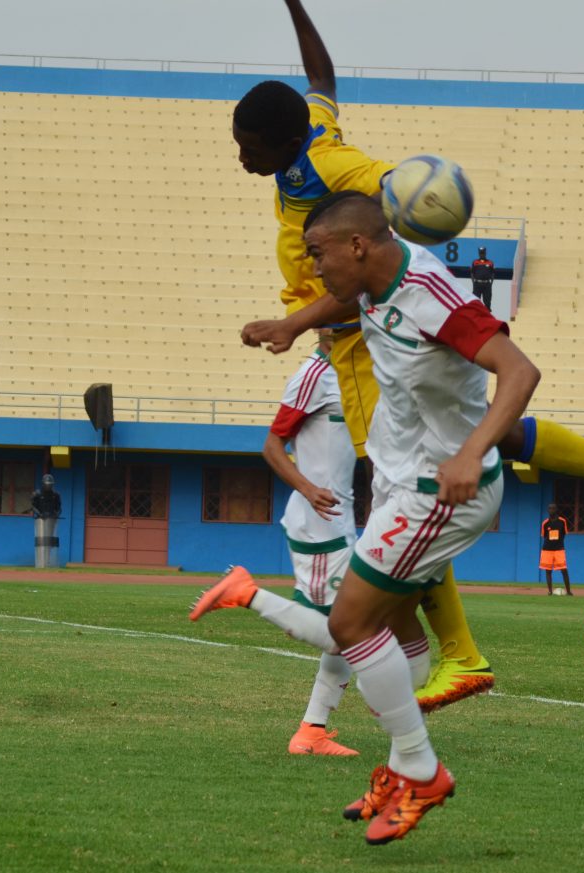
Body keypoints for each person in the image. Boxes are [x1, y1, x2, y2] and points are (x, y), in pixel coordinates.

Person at [193, 192, 542, 844]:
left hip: (439, 490)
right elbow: (353, 301)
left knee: (349, 622)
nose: (313, 268)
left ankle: (421, 768)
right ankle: (400, 766)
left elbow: (519, 370)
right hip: (398, 480)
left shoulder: (432, 295)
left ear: (356, 245)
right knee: (392, 625)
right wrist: (294, 323)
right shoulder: (378, 277)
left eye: (318, 254)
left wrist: (471, 453)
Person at [235, 0, 495, 712]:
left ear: (282, 143)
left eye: (248, 147)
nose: (240, 157)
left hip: (359, 348)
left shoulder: (327, 161)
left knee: (403, 493)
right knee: (397, 494)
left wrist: (298, 321)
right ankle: (417, 648)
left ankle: (461, 653)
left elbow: (387, 210)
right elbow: (321, 76)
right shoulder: (309, 129)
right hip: (347, 336)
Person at [262, 330, 361, 757]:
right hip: (318, 525)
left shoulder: (353, 374)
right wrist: (306, 487)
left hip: (342, 522)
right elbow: (271, 445)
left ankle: (312, 732)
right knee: (347, 635)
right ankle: (247, 595)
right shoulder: (313, 374)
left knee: (354, 631)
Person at [540, 503, 572, 596]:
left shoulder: (562, 521)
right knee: (548, 571)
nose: (551, 510)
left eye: (553, 508)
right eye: (549, 508)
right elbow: (544, 536)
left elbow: (564, 533)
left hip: (559, 550)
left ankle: (569, 591)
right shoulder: (545, 523)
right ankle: (550, 591)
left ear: (556, 510)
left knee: (564, 570)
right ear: (547, 510)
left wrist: (558, 543)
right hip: (547, 550)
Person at [470, 247, 495, 312]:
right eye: (481, 253)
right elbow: (472, 273)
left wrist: (490, 284)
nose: (482, 254)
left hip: (487, 284)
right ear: (479, 254)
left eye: (483, 253)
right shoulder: (475, 262)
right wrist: (474, 283)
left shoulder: (490, 262)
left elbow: (492, 274)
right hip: (477, 284)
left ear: (485, 253)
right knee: (476, 301)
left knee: (487, 302)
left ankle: (487, 317)